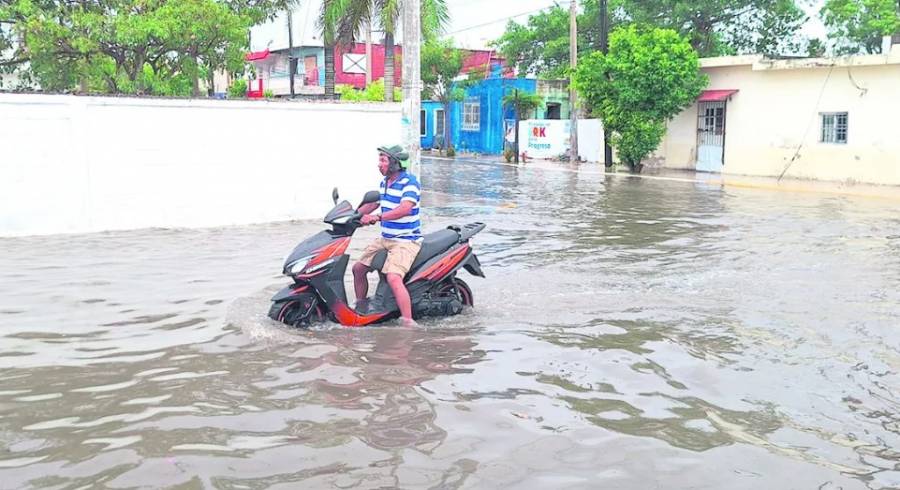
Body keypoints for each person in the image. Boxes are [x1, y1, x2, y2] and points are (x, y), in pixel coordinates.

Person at [353, 145, 422, 327]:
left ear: (395, 164)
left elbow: (405, 208)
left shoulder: (410, 183)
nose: (379, 165)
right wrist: (353, 215)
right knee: (358, 269)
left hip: (406, 240)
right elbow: (374, 204)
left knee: (393, 277)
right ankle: (361, 307)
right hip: (386, 238)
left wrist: (377, 217)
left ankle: (408, 321)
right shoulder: (385, 183)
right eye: (380, 160)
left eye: (383, 160)